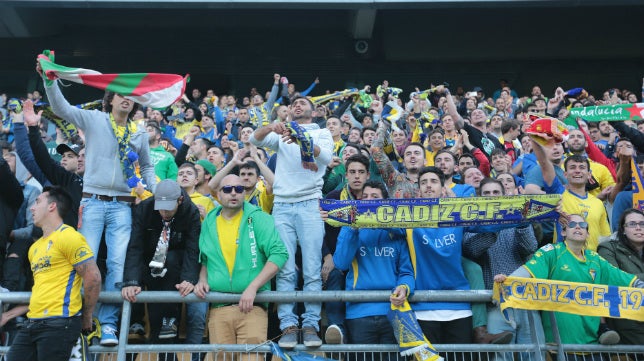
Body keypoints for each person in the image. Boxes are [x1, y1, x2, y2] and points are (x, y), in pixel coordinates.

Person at [37, 58, 157, 345]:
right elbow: (61, 108)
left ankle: (109, 325)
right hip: (92, 202)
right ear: (110, 99)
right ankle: (79, 318)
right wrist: (49, 80)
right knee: (85, 260)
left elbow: (148, 167)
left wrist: (156, 192)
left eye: (130, 97)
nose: (126, 100)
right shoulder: (93, 120)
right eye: (120, 95)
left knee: (117, 263)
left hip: (123, 205)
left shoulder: (139, 133)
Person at [495, 213, 644, 360]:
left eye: (583, 225)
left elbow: (626, 279)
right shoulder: (551, 252)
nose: (578, 227)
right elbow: (527, 272)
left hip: (592, 344)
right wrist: (508, 280)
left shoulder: (595, 259)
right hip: (560, 345)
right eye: (572, 224)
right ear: (564, 232)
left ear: (587, 233)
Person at [250, 96, 333, 348]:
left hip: (310, 203)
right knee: (284, 268)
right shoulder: (281, 133)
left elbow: (326, 158)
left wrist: (301, 139)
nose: (297, 105)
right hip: (283, 205)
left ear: (313, 110)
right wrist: (270, 127)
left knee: (311, 269)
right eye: (294, 103)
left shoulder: (322, 132)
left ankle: (310, 324)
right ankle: (287, 324)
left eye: (302, 103)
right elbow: (255, 139)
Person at [195, 174, 288, 361]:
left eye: (239, 189)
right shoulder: (210, 220)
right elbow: (205, 258)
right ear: (218, 194)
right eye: (227, 189)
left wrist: (253, 287)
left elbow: (279, 254)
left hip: (252, 307)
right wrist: (202, 279)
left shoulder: (259, 218)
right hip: (219, 306)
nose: (234, 193)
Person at [7, 186, 101, 361]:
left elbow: (93, 278)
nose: (32, 208)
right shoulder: (34, 247)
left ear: (52, 206)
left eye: (38, 202)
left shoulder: (69, 236)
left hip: (59, 323)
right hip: (32, 321)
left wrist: (87, 316)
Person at [332, 180, 414, 360]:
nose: (369, 201)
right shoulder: (350, 228)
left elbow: (406, 272)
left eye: (375, 197)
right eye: (365, 197)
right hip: (359, 312)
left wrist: (405, 288)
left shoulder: (397, 232)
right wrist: (353, 230)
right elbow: (340, 263)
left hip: (393, 311)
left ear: (385, 202)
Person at [463, 178, 543, 361]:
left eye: (496, 193)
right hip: (495, 305)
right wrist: (495, 224)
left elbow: (530, 246)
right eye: (487, 194)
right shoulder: (471, 226)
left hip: (524, 302)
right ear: (479, 198)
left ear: (505, 195)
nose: (492, 197)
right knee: (500, 357)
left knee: (534, 355)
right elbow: (472, 249)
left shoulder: (517, 221)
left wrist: (521, 222)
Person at [121, 179, 201, 342]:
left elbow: (193, 249)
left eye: (168, 209)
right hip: (149, 261)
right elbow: (135, 246)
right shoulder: (145, 208)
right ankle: (145, 325)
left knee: (171, 261)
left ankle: (169, 321)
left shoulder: (191, 212)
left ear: (179, 201)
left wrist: (189, 279)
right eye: (160, 209)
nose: (164, 213)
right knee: (135, 285)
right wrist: (132, 281)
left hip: (174, 265)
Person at [597, 208, 644, 347]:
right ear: (623, 229)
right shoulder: (608, 248)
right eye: (632, 224)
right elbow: (613, 278)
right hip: (626, 318)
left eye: (642, 224)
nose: (638, 228)